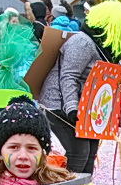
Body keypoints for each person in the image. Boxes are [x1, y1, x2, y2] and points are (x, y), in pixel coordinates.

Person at [38, 14, 102, 175]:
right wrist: (72, 107)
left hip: (85, 105)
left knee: (90, 152)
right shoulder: (82, 42)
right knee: (79, 152)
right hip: (60, 103)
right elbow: (68, 75)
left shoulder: (99, 44)